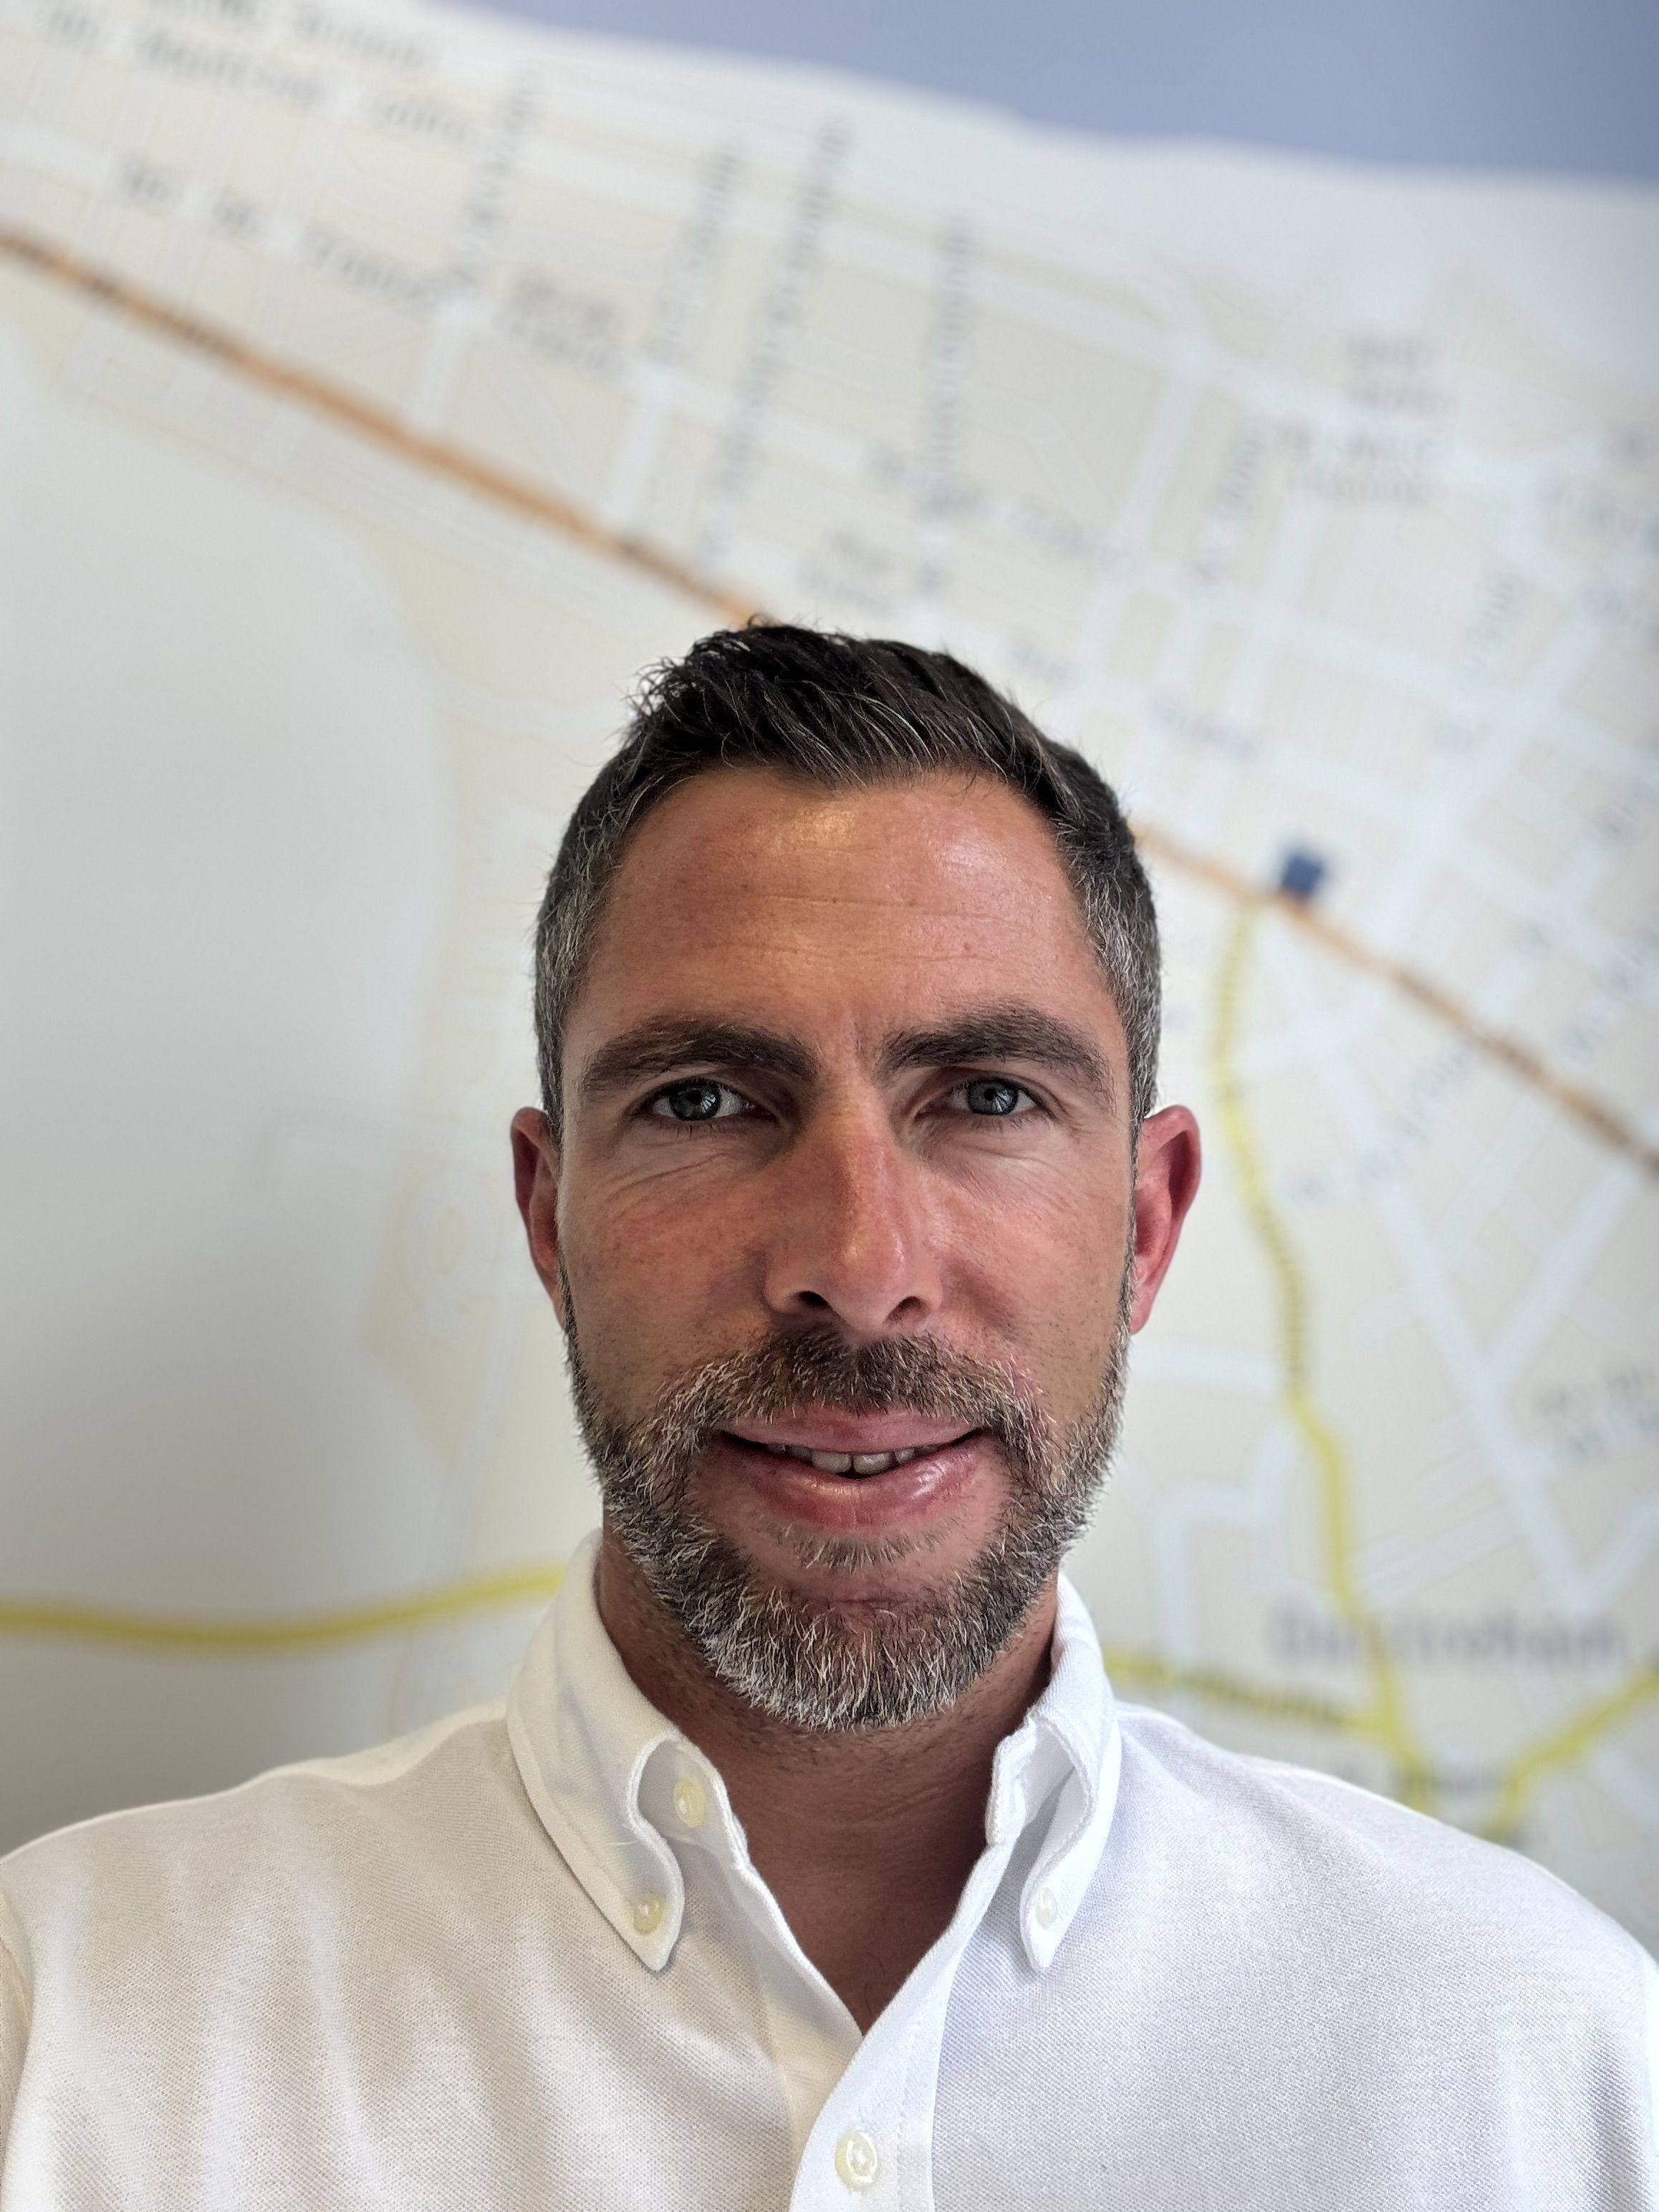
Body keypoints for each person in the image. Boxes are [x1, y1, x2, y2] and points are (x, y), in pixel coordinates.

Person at [0, 626, 1651, 2208]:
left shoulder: (1547, 2063)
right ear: (549, 1218)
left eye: (987, 1097)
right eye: (707, 1100)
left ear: (1147, 1225)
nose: (860, 1270)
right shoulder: (63, 2025)